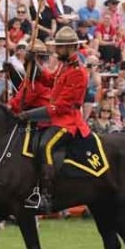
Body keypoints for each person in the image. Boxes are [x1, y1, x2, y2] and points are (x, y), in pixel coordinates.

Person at [17, 27, 89, 212]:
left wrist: (30, 114)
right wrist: (34, 64)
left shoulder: (78, 72)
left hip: (68, 121)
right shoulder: (64, 66)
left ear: (72, 47)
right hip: (56, 118)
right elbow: (50, 80)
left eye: (60, 47)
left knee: (45, 146)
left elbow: (62, 106)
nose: (56, 51)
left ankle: (47, 196)